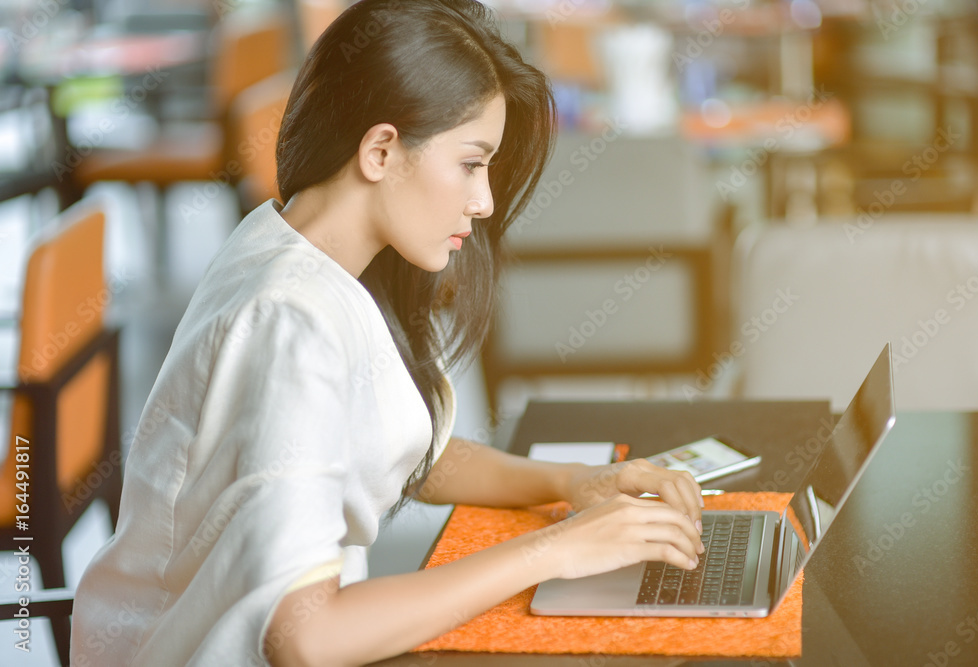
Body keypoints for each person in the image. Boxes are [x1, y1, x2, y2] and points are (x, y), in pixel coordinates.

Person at [69, 1, 705, 665]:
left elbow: (397, 450)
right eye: (470, 163)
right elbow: (308, 637)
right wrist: (559, 549)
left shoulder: (293, 244)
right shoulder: (293, 320)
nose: (484, 201)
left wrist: (573, 483)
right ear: (380, 150)